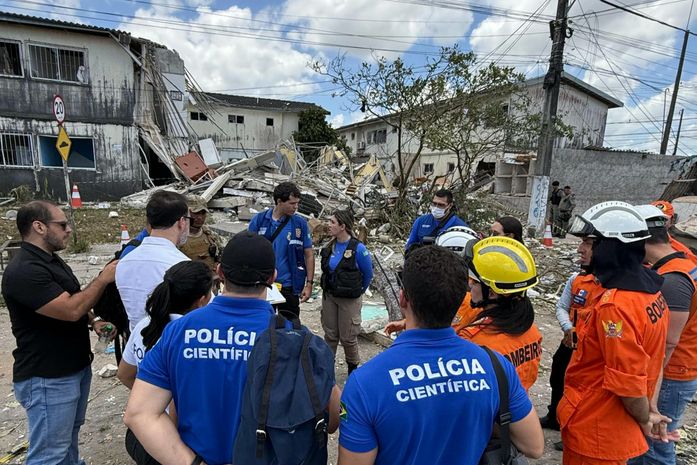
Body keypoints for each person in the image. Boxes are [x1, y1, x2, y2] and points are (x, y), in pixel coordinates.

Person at [124, 232, 340, 465]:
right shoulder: (293, 337)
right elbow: (334, 416)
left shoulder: (179, 331)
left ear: (220, 273)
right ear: (273, 277)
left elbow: (139, 413)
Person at [339, 246, 544, 465]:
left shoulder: (364, 384)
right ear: (459, 302)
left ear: (403, 299)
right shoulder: (496, 366)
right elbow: (534, 447)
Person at [1, 200, 118, 465]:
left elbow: (71, 297)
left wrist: (94, 321)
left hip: (71, 368)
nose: (68, 230)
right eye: (62, 224)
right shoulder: (25, 271)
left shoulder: (50, 261)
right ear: (39, 226)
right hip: (47, 376)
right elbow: (69, 309)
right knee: (49, 454)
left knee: (67, 439)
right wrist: (102, 279)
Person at [559, 201, 670, 465]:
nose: (580, 248)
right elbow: (655, 358)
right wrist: (650, 409)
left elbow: (628, 383)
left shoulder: (616, 306)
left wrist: (646, 418)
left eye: (589, 242)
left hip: (596, 428)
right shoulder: (650, 291)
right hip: (611, 426)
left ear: (611, 246)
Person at [118, 261, 213, 465]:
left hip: (140, 434)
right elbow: (176, 402)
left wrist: (147, 397)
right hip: (171, 438)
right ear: (202, 300)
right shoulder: (192, 336)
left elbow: (124, 373)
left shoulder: (145, 323)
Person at [627, 205, 697, 465]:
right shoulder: (682, 261)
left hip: (673, 373)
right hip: (677, 369)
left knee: (656, 446)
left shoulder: (673, 278)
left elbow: (667, 343)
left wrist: (649, 397)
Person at [540, 234, 604, 443]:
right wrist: (568, 328)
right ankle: (554, 417)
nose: (580, 249)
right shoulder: (576, 280)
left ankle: (572, 430)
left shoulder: (609, 286)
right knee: (557, 377)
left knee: (580, 389)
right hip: (570, 343)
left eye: (588, 245)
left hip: (590, 350)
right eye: (582, 243)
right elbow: (561, 307)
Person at [460, 236, 543, 392]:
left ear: (492, 293)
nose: (469, 284)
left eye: (474, 281)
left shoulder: (473, 343)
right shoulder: (531, 331)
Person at [116, 190, 190, 331]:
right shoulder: (182, 264)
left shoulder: (124, 261)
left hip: (136, 344)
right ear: (181, 222)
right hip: (169, 345)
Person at [248, 181, 314, 320]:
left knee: (290, 328)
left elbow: (308, 254)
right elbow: (248, 251)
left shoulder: (299, 224)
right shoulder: (259, 221)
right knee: (263, 325)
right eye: (292, 203)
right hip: (263, 285)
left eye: (297, 203)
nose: (296, 207)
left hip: (289, 285)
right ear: (279, 201)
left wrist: (309, 284)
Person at [320, 210, 373, 375]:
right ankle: (327, 369)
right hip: (330, 296)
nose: (328, 225)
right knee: (330, 335)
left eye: (332, 222)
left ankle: (352, 369)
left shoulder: (359, 249)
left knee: (348, 337)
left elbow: (368, 274)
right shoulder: (330, 246)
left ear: (343, 226)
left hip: (349, 299)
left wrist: (358, 292)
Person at [179, 195, 221, 276]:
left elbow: (221, 257)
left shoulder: (210, 235)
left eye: (203, 213)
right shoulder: (177, 238)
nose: (200, 217)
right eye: (196, 213)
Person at [651, 199, 697, 266]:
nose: (657, 223)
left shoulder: (682, 248)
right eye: (653, 219)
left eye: (663, 219)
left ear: (672, 221)